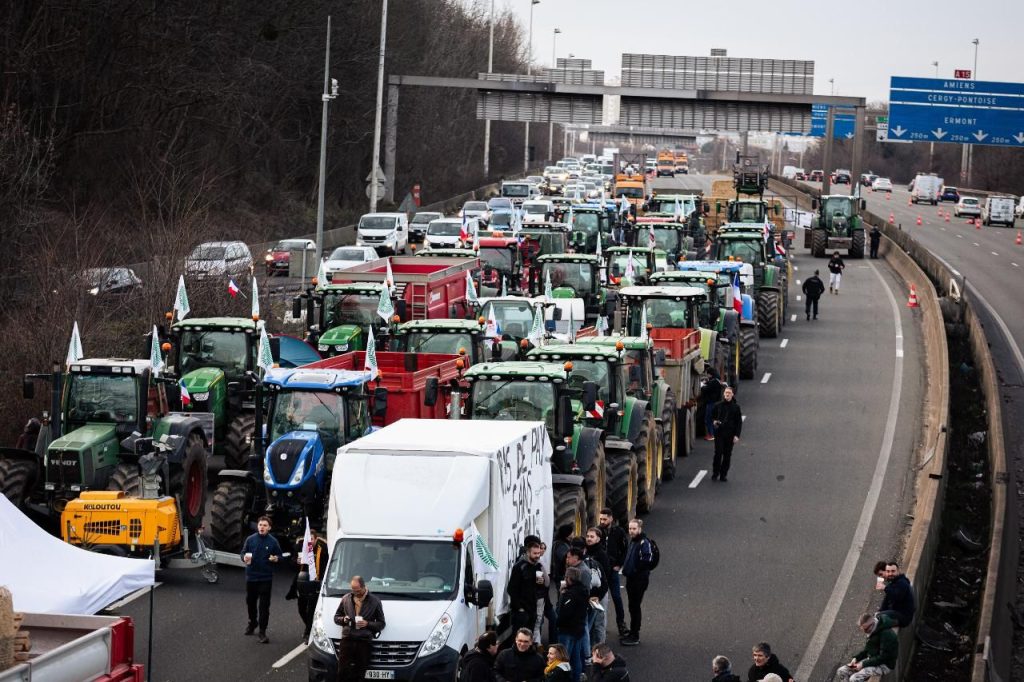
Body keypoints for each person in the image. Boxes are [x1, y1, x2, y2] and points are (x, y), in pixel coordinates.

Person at [334, 575, 386, 682]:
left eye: (357, 590)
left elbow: (381, 624)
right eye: (353, 590)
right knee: (342, 672)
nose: (355, 593)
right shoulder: (346, 598)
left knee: (360, 673)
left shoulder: (375, 601)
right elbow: (336, 618)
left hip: (364, 641)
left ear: (364, 587)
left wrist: (367, 624)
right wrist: (343, 619)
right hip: (347, 639)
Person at [240, 515, 283, 643]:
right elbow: (242, 553)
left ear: (269, 528)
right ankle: (252, 623)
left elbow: (280, 556)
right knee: (251, 603)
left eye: (264, 525)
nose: (262, 527)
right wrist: (244, 558)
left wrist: (276, 559)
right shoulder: (250, 539)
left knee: (264, 607)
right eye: (260, 525)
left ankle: (262, 632)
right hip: (251, 577)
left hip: (265, 578)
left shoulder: (273, 542)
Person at [287, 525, 330, 642]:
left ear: (316, 539)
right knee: (301, 608)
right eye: (307, 540)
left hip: (315, 583)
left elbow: (327, 566)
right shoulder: (300, 547)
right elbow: (291, 564)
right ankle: (310, 626)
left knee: (311, 609)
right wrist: (296, 562)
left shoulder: (323, 549)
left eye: (311, 539)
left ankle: (308, 632)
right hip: (302, 582)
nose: (309, 542)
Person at [833, 613, 899, 682]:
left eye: (865, 629)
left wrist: (863, 664)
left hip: (883, 665)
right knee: (842, 671)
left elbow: (883, 657)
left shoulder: (886, 634)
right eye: (862, 629)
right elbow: (868, 650)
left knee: (854, 679)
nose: (864, 632)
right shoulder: (873, 630)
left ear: (872, 624)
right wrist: (856, 658)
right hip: (871, 660)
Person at [619, 519, 653, 646]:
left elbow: (646, 560)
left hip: (638, 580)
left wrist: (635, 570)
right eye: (630, 529)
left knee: (635, 607)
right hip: (631, 579)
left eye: (634, 529)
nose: (631, 531)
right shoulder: (633, 541)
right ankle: (633, 632)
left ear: (640, 529)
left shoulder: (644, 542)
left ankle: (635, 635)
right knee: (632, 607)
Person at [598, 510, 629, 638]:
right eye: (601, 519)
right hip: (601, 572)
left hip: (612, 571)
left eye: (605, 519)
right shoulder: (597, 531)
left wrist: (619, 564)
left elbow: (625, 549)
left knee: (616, 597)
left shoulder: (618, 532)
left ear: (611, 518)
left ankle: (621, 624)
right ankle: (600, 626)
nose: (602, 522)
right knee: (599, 600)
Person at [555, 567, 589, 682]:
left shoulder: (570, 594)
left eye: (566, 577)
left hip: (567, 630)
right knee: (576, 658)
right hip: (579, 630)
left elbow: (563, 612)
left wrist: (562, 595)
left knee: (563, 659)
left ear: (569, 578)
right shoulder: (584, 591)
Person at [507, 539, 545, 634]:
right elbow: (511, 589)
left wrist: (541, 582)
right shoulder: (519, 567)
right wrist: (519, 608)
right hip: (521, 611)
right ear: (528, 553)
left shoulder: (538, 566)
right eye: (535, 553)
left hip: (532, 608)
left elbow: (539, 588)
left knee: (529, 638)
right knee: (519, 637)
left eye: (538, 553)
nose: (537, 556)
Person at [585, 527, 612, 646]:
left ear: (598, 539)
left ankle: (600, 647)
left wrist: (598, 596)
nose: (589, 539)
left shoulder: (601, 555)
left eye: (592, 537)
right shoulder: (585, 552)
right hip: (589, 595)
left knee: (599, 622)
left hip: (599, 594)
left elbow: (606, 577)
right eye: (588, 536)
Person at [711, 386, 742, 482]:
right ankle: (715, 472)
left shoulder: (736, 407)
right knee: (718, 453)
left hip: (730, 434)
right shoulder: (718, 405)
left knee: (727, 455)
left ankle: (723, 474)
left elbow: (739, 422)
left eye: (729, 393)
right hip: (719, 433)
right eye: (726, 393)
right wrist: (715, 422)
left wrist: (737, 435)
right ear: (724, 394)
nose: (727, 394)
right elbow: (712, 417)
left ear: (732, 395)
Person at [874, 560, 916, 627]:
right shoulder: (892, 583)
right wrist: (880, 610)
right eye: (888, 572)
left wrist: (885, 588)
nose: (890, 574)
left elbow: (897, 596)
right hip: (899, 612)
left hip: (904, 616)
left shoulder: (902, 582)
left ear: (898, 571)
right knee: (878, 615)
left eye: (893, 571)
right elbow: (887, 600)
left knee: (878, 618)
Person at [700, 369, 724, 441]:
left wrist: (702, 385)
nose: (707, 375)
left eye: (708, 374)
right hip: (715, 402)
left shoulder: (713, 382)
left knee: (708, 419)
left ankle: (711, 434)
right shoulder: (717, 380)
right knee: (713, 419)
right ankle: (714, 434)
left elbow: (706, 389)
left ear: (711, 374)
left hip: (711, 403)